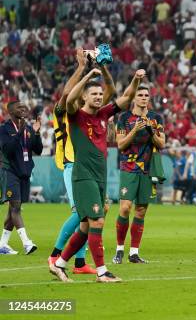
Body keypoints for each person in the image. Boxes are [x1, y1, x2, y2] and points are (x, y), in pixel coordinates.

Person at [48, 67, 145, 283]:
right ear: (84, 96)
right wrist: (86, 77)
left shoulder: (104, 114)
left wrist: (136, 80)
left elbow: (127, 96)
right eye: (94, 94)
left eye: (100, 94)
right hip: (83, 176)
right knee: (97, 221)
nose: (99, 97)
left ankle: (60, 264)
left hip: (99, 177)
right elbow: (70, 96)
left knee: (85, 226)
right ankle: (102, 272)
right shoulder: (75, 115)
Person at [48, 48, 116, 273]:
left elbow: (109, 94)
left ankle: (78, 261)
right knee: (81, 213)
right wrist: (81, 68)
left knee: (95, 214)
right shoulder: (66, 112)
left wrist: (101, 67)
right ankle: (56, 255)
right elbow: (68, 95)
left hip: (92, 167)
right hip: (73, 164)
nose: (96, 98)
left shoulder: (92, 111)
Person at [113, 86, 165, 265]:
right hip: (128, 167)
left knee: (141, 210)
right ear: (134, 98)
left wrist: (151, 130)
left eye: (146, 95)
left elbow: (162, 143)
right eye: (140, 95)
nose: (144, 98)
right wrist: (134, 130)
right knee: (125, 207)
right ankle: (119, 249)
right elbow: (120, 145)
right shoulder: (124, 118)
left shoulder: (156, 118)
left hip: (148, 169)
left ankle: (134, 253)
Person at [0, 101, 43, 255]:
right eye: (19, 107)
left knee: (13, 209)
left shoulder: (29, 129)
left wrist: (37, 133)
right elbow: (8, 149)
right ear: (10, 111)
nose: (24, 109)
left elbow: (38, 150)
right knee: (16, 207)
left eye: (24, 107)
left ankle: (2, 244)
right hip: (9, 172)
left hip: (24, 172)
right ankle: (27, 243)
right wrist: (20, 132)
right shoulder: (4, 129)